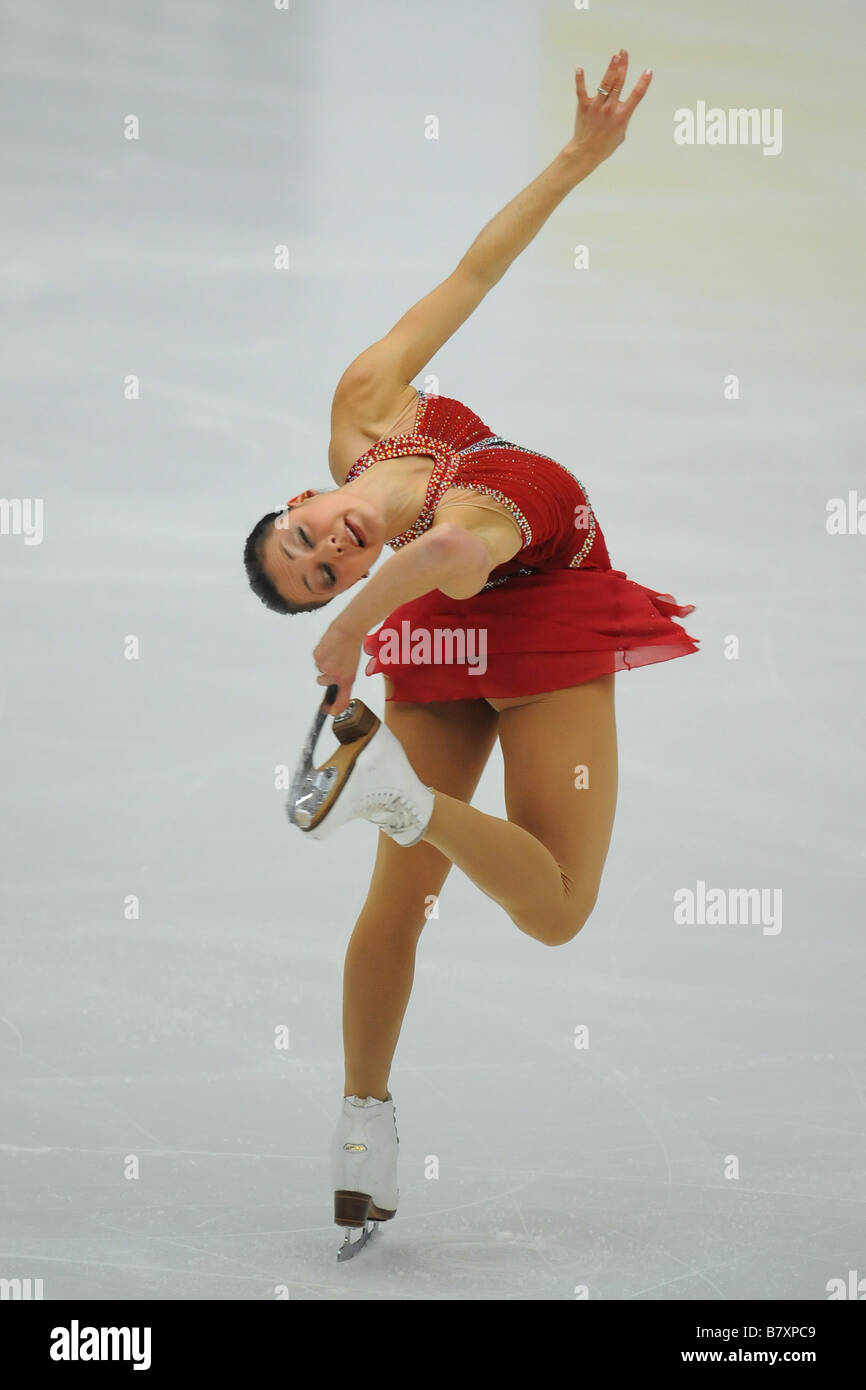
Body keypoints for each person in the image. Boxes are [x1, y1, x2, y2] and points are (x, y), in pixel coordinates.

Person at [244, 50, 698, 1249]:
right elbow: (423, 576)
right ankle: (360, 1134)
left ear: (304, 490)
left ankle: (394, 794)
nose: (331, 549)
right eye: (324, 574)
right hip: (438, 632)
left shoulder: (388, 419)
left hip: (532, 592)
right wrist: (367, 616)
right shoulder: (399, 560)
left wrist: (575, 157)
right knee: (397, 903)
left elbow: (473, 270)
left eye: (307, 537)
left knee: (551, 909)